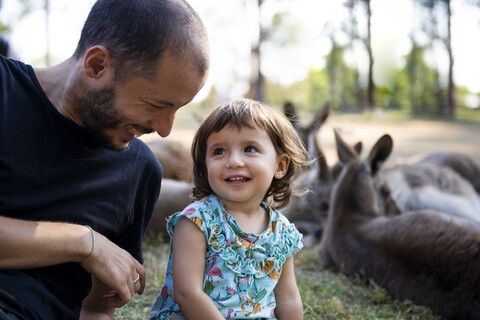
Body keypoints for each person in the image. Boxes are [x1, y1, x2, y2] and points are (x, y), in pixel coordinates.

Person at [0, 0, 209, 319]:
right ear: (97, 65)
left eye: (176, 110)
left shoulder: (140, 171)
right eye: (156, 105)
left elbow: (96, 308)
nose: (165, 130)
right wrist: (83, 241)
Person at [149, 99, 309, 320]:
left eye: (249, 149)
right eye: (219, 151)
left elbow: (288, 298)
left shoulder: (282, 231)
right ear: (205, 168)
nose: (234, 161)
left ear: (280, 166)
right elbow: (187, 294)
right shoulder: (196, 222)